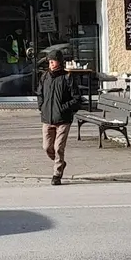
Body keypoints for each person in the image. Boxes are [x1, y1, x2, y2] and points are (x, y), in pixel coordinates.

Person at [37, 50, 78, 186]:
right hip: (47, 118)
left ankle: (57, 174)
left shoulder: (67, 77)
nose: (51, 64)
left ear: (59, 62)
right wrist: (41, 106)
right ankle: (60, 162)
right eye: (49, 61)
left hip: (63, 119)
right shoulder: (45, 77)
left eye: (53, 61)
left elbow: (77, 98)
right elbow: (40, 94)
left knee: (58, 147)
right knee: (47, 147)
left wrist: (64, 108)